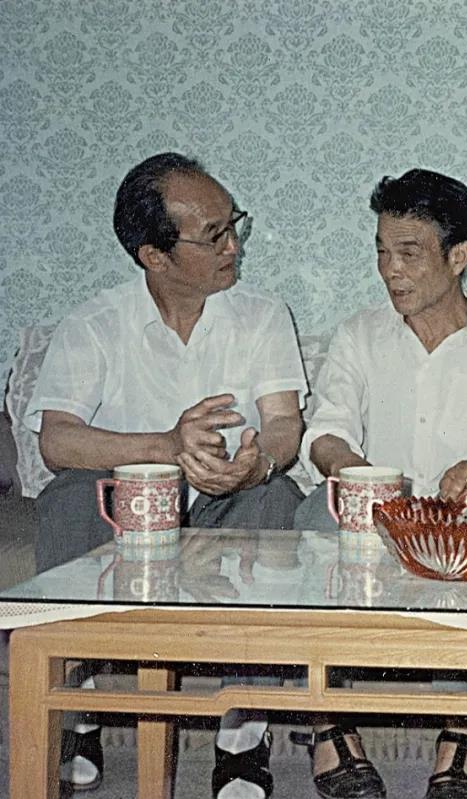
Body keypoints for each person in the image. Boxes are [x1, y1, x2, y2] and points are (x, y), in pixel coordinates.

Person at [25, 153, 308, 796]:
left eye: (233, 224)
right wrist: (165, 446)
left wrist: (254, 465)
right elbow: (56, 440)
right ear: (154, 255)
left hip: (224, 498)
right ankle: (78, 706)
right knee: (68, 498)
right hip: (129, 502)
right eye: (214, 235)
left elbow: (284, 425)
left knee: (278, 499)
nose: (233, 245)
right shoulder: (95, 323)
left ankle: (243, 732)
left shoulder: (262, 314)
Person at [292, 168, 467, 799]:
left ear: (459, 256)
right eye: (381, 252)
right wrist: (359, 476)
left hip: (458, 525)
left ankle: (462, 733)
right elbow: (326, 432)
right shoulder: (359, 334)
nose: (390, 271)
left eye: (409, 253)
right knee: (310, 516)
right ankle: (328, 726)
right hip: (371, 515)